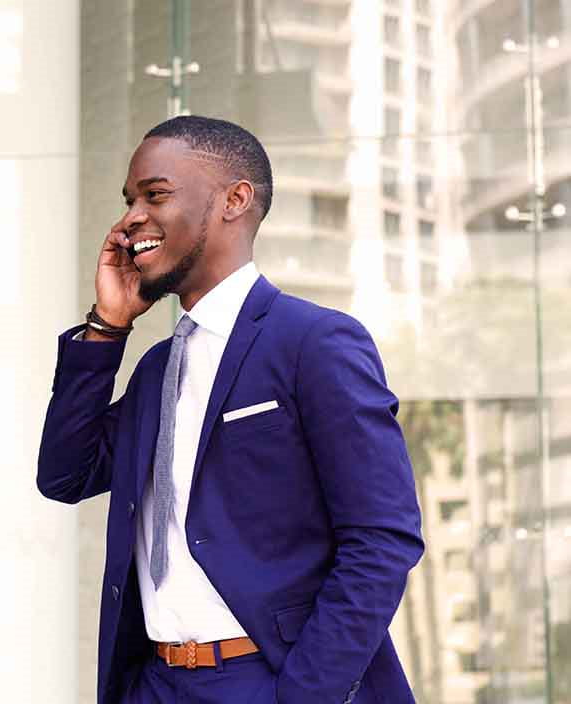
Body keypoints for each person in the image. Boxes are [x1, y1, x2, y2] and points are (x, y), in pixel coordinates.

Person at [37, 115, 424, 704]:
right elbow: (66, 474)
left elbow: (381, 539)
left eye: (155, 194)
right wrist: (107, 326)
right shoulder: (156, 370)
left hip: (265, 681)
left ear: (234, 200)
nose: (130, 217)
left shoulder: (314, 343)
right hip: (156, 684)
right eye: (129, 200)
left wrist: (304, 694)